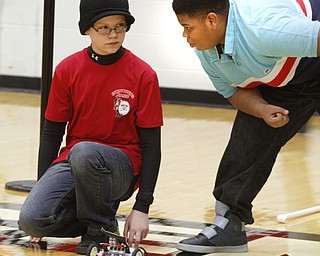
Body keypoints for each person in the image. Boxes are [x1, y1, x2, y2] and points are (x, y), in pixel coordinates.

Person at [172, 0, 320, 254]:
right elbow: (232, 91)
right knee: (250, 134)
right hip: (290, 81)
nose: (185, 35)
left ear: (211, 20)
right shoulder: (205, 48)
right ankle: (229, 224)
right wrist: (262, 109)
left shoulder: (263, 28)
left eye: (188, 27)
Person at [18, 0, 163, 254]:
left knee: (85, 151)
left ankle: (101, 230)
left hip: (122, 167)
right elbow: (52, 134)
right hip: (75, 161)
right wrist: (43, 190)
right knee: (32, 220)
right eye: (104, 28)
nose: (114, 34)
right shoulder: (67, 70)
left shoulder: (144, 74)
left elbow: (152, 146)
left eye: (120, 26)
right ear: (87, 29)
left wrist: (142, 207)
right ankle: (95, 217)